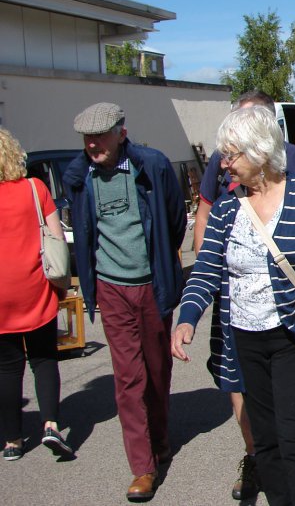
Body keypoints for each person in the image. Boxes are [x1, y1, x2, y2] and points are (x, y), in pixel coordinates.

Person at [173, 106, 295, 506]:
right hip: (243, 340)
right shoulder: (226, 209)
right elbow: (205, 270)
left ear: (261, 152)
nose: (224, 165)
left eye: (231, 155)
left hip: (294, 336)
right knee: (265, 441)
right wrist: (187, 319)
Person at [63, 103, 186, 500]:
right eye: (87, 139)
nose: (93, 145)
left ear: (121, 132)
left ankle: (160, 436)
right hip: (111, 287)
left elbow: (174, 219)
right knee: (128, 380)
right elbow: (82, 231)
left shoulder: (152, 166)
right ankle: (143, 466)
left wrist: (164, 265)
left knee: (156, 369)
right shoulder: (79, 176)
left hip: (152, 286)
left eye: (100, 136)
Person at [0, 127, 73, 462]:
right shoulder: (35, 188)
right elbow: (56, 237)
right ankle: (51, 424)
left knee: (7, 368)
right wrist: (64, 284)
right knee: (44, 359)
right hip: (35, 286)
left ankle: (13, 440)